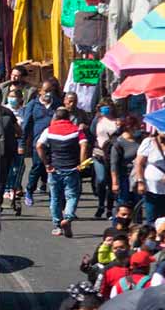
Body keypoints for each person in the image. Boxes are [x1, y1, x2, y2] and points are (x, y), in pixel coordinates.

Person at [36, 108, 89, 238]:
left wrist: (47, 164)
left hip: (55, 169)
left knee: (55, 198)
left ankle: (57, 226)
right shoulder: (77, 130)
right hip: (72, 169)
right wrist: (82, 163)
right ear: (69, 117)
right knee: (71, 196)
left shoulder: (49, 130)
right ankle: (68, 218)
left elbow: (39, 146)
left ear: (56, 117)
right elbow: (84, 144)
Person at [22, 82, 60, 207]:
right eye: (46, 90)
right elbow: (26, 125)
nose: (48, 93)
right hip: (38, 142)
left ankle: (53, 195)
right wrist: (22, 143)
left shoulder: (57, 104)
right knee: (37, 167)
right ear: (40, 91)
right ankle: (29, 190)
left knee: (54, 169)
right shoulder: (33, 105)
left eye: (51, 90)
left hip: (54, 142)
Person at [91, 101, 120, 220]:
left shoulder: (117, 121)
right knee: (101, 179)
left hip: (112, 154)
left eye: (108, 108)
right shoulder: (97, 120)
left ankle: (109, 208)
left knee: (110, 182)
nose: (106, 110)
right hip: (99, 153)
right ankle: (100, 205)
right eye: (103, 108)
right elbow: (92, 132)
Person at [109, 117, 143, 216]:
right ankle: (119, 225)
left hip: (137, 176)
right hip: (124, 177)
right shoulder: (118, 143)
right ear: (129, 127)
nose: (138, 129)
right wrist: (115, 183)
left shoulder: (140, 140)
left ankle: (136, 225)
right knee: (123, 204)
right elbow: (114, 164)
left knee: (137, 204)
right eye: (136, 127)